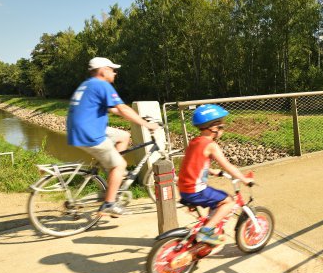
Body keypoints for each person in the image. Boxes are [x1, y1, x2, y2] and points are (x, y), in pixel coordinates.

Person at [67, 57, 159, 217]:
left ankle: (111, 171)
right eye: (112, 69)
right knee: (120, 165)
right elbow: (122, 107)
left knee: (124, 135)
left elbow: (114, 109)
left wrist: (136, 116)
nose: (115, 73)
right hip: (90, 133)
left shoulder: (88, 84)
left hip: (80, 129)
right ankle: (109, 203)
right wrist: (146, 124)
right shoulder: (102, 84)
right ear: (103, 71)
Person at [177, 104, 253, 245]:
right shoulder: (211, 145)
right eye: (221, 125)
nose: (222, 128)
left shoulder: (194, 141)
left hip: (183, 188)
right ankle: (206, 232)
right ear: (213, 127)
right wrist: (244, 179)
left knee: (217, 201)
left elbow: (192, 163)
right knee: (229, 201)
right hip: (195, 190)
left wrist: (212, 171)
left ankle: (208, 230)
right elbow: (228, 166)